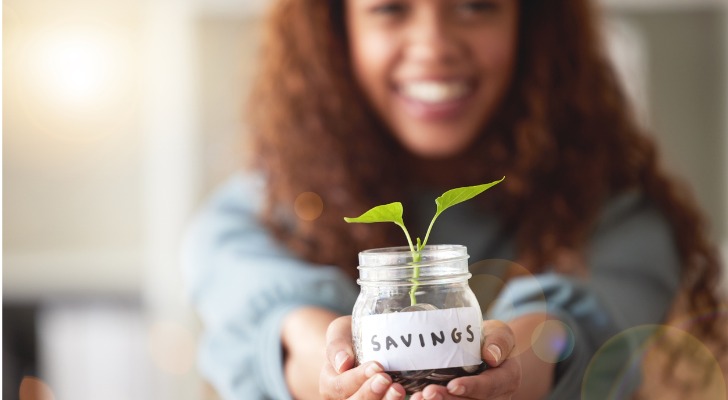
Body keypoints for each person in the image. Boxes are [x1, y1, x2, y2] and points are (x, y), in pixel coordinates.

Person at [181, 0, 726, 399]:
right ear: (335, 30)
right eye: (391, 9)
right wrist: (335, 370)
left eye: (476, 6)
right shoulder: (252, 218)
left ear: (531, 24)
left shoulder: (620, 219)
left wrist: (508, 364)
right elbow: (275, 321)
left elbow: (579, 329)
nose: (435, 46)